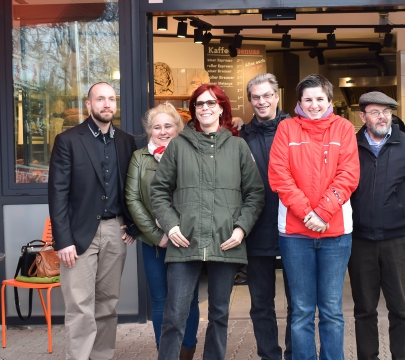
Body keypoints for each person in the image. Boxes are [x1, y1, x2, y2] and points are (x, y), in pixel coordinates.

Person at [150, 84, 265, 360]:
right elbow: (158, 191)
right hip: (184, 241)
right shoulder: (178, 145)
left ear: (222, 107)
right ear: (194, 110)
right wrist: (171, 225)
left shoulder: (238, 146)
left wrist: (241, 228)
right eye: (199, 104)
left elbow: (255, 194)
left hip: (225, 243)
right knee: (174, 316)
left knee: (219, 315)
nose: (205, 108)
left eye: (211, 103)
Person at [268, 74, 360, 360]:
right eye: (308, 99)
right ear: (299, 102)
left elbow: (349, 174)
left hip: (336, 234)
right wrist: (308, 214)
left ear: (329, 101)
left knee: (332, 309)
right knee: (302, 310)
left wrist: (322, 212)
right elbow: (279, 176)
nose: (314, 105)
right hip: (295, 235)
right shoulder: (286, 129)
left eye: (320, 99)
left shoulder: (344, 129)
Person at [48, 82, 138, 360]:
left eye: (111, 99)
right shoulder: (68, 140)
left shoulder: (125, 141)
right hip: (78, 235)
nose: (107, 104)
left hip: (115, 230)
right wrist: (62, 241)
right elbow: (57, 194)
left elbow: (131, 188)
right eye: (100, 99)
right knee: (79, 306)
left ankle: (102, 356)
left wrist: (132, 224)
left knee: (107, 305)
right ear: (89, 105)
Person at [349, 91, 405, 360]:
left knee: (402, 309)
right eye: (375, 112)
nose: (382, 117)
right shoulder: (350, 145)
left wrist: (399, 215)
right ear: (362, 116)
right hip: (359, 241)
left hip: (397, 241)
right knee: (364, 310)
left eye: (386, 112)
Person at [125, 103, 200, 358]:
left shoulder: (191, 153)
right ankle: (165, 352)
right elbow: (133, 199)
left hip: (186, 240)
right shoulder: (140, 158)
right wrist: (158, 236)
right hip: (154, 243)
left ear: (178, 129)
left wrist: (182, 231)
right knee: (161, 300)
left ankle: (187, 350)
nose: (163, 131)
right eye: (157, 127)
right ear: (150, 131)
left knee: (188, 299)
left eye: (168, 126)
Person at [241, 73, 293, 360]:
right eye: (255, 97)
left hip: (293, 228)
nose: (261, 101)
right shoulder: (240, 136)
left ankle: (294, 353)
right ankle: (269, 355)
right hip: (256, 228)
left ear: (276, 97)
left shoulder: (296, 129)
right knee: (261, 303)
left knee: (297, 302)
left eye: (266, 95)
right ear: (250, 101)